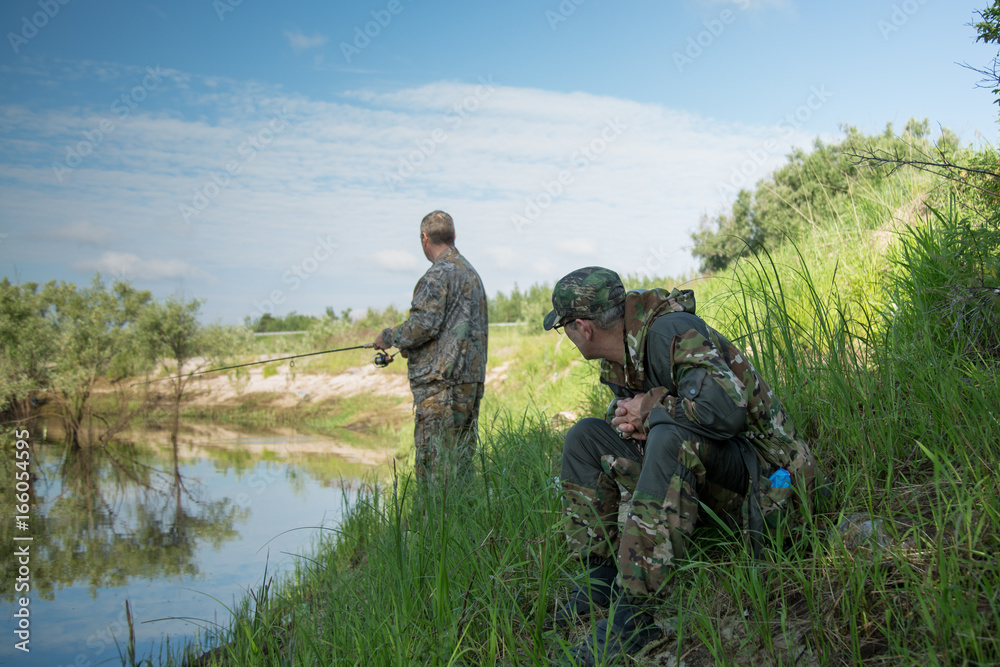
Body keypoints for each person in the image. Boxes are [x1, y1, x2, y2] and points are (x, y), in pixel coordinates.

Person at [543, 266, 824, 665]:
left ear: (583, 328)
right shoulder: (625, 351)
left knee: (670, 440)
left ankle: (634, 617)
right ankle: (599, 580)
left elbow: (727, 413)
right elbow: (665, 416)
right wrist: (630, 420)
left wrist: (653, 411)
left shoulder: (668, 332)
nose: (567, 337)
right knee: (584, 438)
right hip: (710, 469)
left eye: (564, 328)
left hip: (767, 475)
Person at [373, 211, 488, 483]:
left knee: (435, 472)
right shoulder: (471, 273)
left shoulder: (437, 275)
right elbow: (448, 329)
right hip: (469, 383)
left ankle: (435, 524)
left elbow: (422, 325)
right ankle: (461, 522)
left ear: (424, 238)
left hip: (441, 388)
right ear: (454, 236)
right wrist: (413, 348)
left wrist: (389, 336)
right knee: (460, 465)